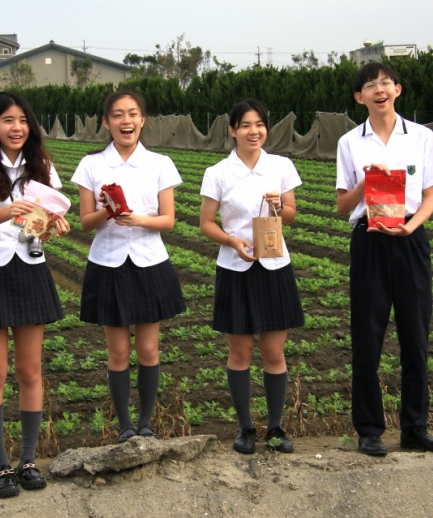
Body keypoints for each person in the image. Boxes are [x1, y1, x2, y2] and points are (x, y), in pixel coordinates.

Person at [0, 92, 70, 498]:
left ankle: (27, 460)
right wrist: (11, 209)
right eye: (7, 119)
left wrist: (52, 226)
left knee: (30, 371)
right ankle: (0, 465)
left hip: (30, 268)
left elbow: (46, 221)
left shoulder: (43, 167)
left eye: (23, 120)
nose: (17, 127)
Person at [336, 63, 433, 456]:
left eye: (385, 83)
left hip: (409, 239)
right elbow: (341, 206)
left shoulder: (421, 136)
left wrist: (412, 226)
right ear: (359, 97)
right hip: (368, 239)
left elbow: (431, 195)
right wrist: (366, 180)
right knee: (367, 338)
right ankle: (369, 430)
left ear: (398, 90)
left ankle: (415, 428)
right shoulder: (350, 142)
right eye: (370, 85)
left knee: (415, 336)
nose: (379, 89)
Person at [72, 90, 185, 443]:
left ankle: (146, 422)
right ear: (106, 122)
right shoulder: (91, 165)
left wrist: (137, 219)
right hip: (108, 263)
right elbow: (85, 223)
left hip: (150, 263)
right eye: (118, 115)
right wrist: (108, 210)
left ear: (142, 120)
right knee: (118, 351)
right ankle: (124, 425)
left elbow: (168, 221)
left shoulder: (160, 163)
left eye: (133, 114)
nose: (126, 121)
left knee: (149, 349)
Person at [199, 99, 305, 455]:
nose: (253, 131)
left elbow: (290, 216)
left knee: (274, 351)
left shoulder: (280, 166)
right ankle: (245, 427)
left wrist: (279, 207)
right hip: (235, 267)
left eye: (259, 124)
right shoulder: (218, 172)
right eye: (245, 125)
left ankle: (275, 427)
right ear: (232, 130)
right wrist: (232, 240)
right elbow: (205, 223)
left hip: (274, 266)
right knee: (240, 351)